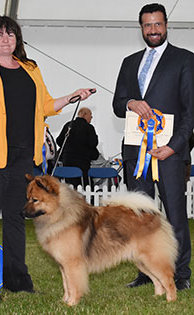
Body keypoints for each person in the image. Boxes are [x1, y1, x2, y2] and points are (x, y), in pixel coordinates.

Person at [0, 15, 95, 300]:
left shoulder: (30, 68)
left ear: (18, 39)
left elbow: (45, 105)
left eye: (11, 34)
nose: (6, 38)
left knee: (18, 219)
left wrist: (72, 97)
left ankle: (18, 280)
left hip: (23, 156)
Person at [112, 3, 194, 291]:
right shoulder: (129, 62)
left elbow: (190, 112)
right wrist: (131, 102)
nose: (153, 30)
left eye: (157, 24)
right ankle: (145, 272)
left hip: (170, 154)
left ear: (166, 25)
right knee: (140, 216)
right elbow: (117, 105)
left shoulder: (185, 60)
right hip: (136, 153)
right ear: (141, 28)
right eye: (147, 25)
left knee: (175, 214)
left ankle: (181, 272)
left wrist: (174, 146)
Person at [56, 107, 99, 187]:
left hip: (67, 162)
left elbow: (59, 140)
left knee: (70, 185)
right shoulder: (89, 127)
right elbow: (94, 143)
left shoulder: (68, 125)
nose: (91, 118)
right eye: (91, 115)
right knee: (84, 186)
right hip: (83, 163)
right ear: (84, 114)